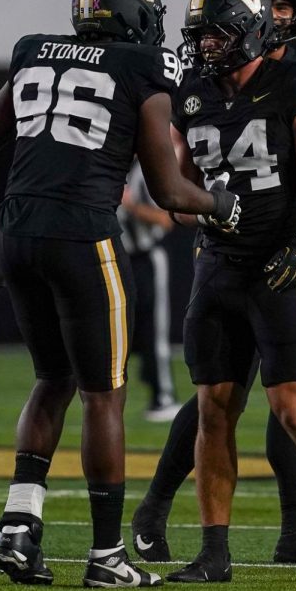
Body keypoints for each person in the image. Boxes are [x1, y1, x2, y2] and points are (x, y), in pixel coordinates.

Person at [0, 0, 240, 589]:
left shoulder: (33, 52)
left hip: (15, 231)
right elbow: (166, 189)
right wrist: (219, 202)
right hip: (82, 233)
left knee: (51, 378)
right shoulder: (144, 67)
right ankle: (107, 557)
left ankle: (18, 527)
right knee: (103, 394)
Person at [132, 0, 296, 568]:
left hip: (286, 257)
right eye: (202, 35)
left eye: (220, 34)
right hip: (221, 261)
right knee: (216, 402)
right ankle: (199, 538)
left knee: (291, 403)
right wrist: (205, 206)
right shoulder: (190, 83)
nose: (207, 47)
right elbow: (176, 189)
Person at [116, 161, 179, 421]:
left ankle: (162, 398)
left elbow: (165, 220)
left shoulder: (144, 171)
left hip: (145, 259)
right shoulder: (104, 160)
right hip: (115, 260)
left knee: (154, 330)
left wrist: (130, 205)